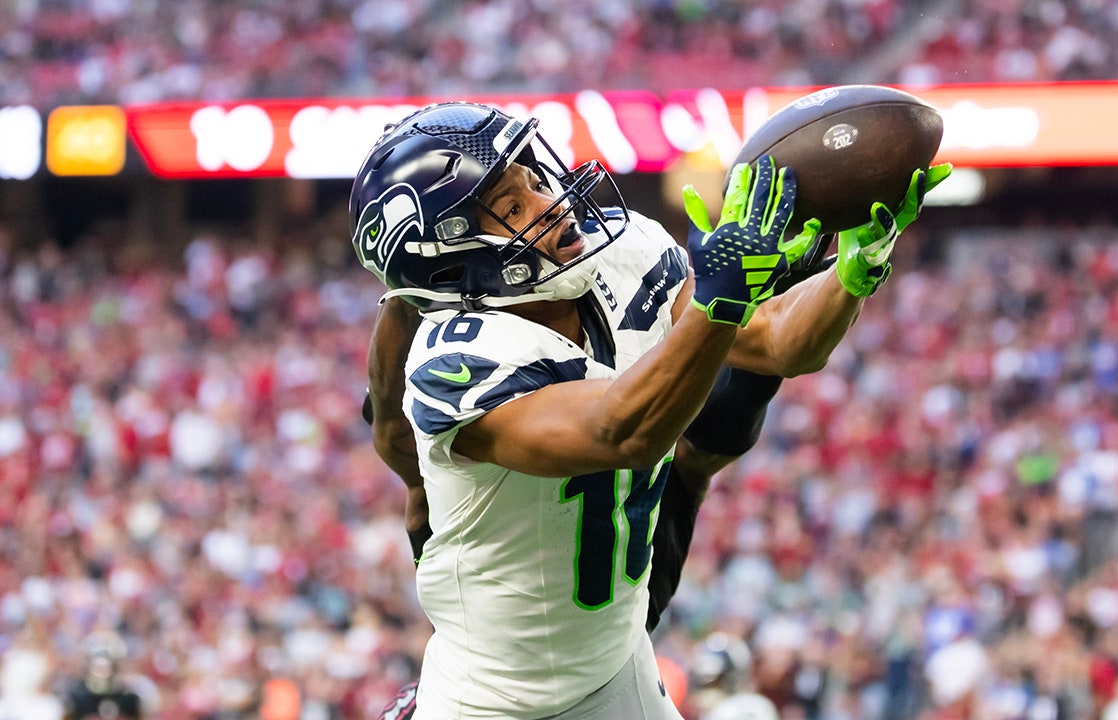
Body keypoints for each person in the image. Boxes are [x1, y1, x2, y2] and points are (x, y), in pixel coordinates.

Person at [349, 101, 948, 719]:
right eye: (512, 206)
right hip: (497, 703)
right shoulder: (452, 365)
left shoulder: (620, 249)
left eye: (534, 178)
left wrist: (856, 266)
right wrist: (719, 301)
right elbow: (621, 432)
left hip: (620, 665)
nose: (548, 201)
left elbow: (778, 340)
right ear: (448, 254)